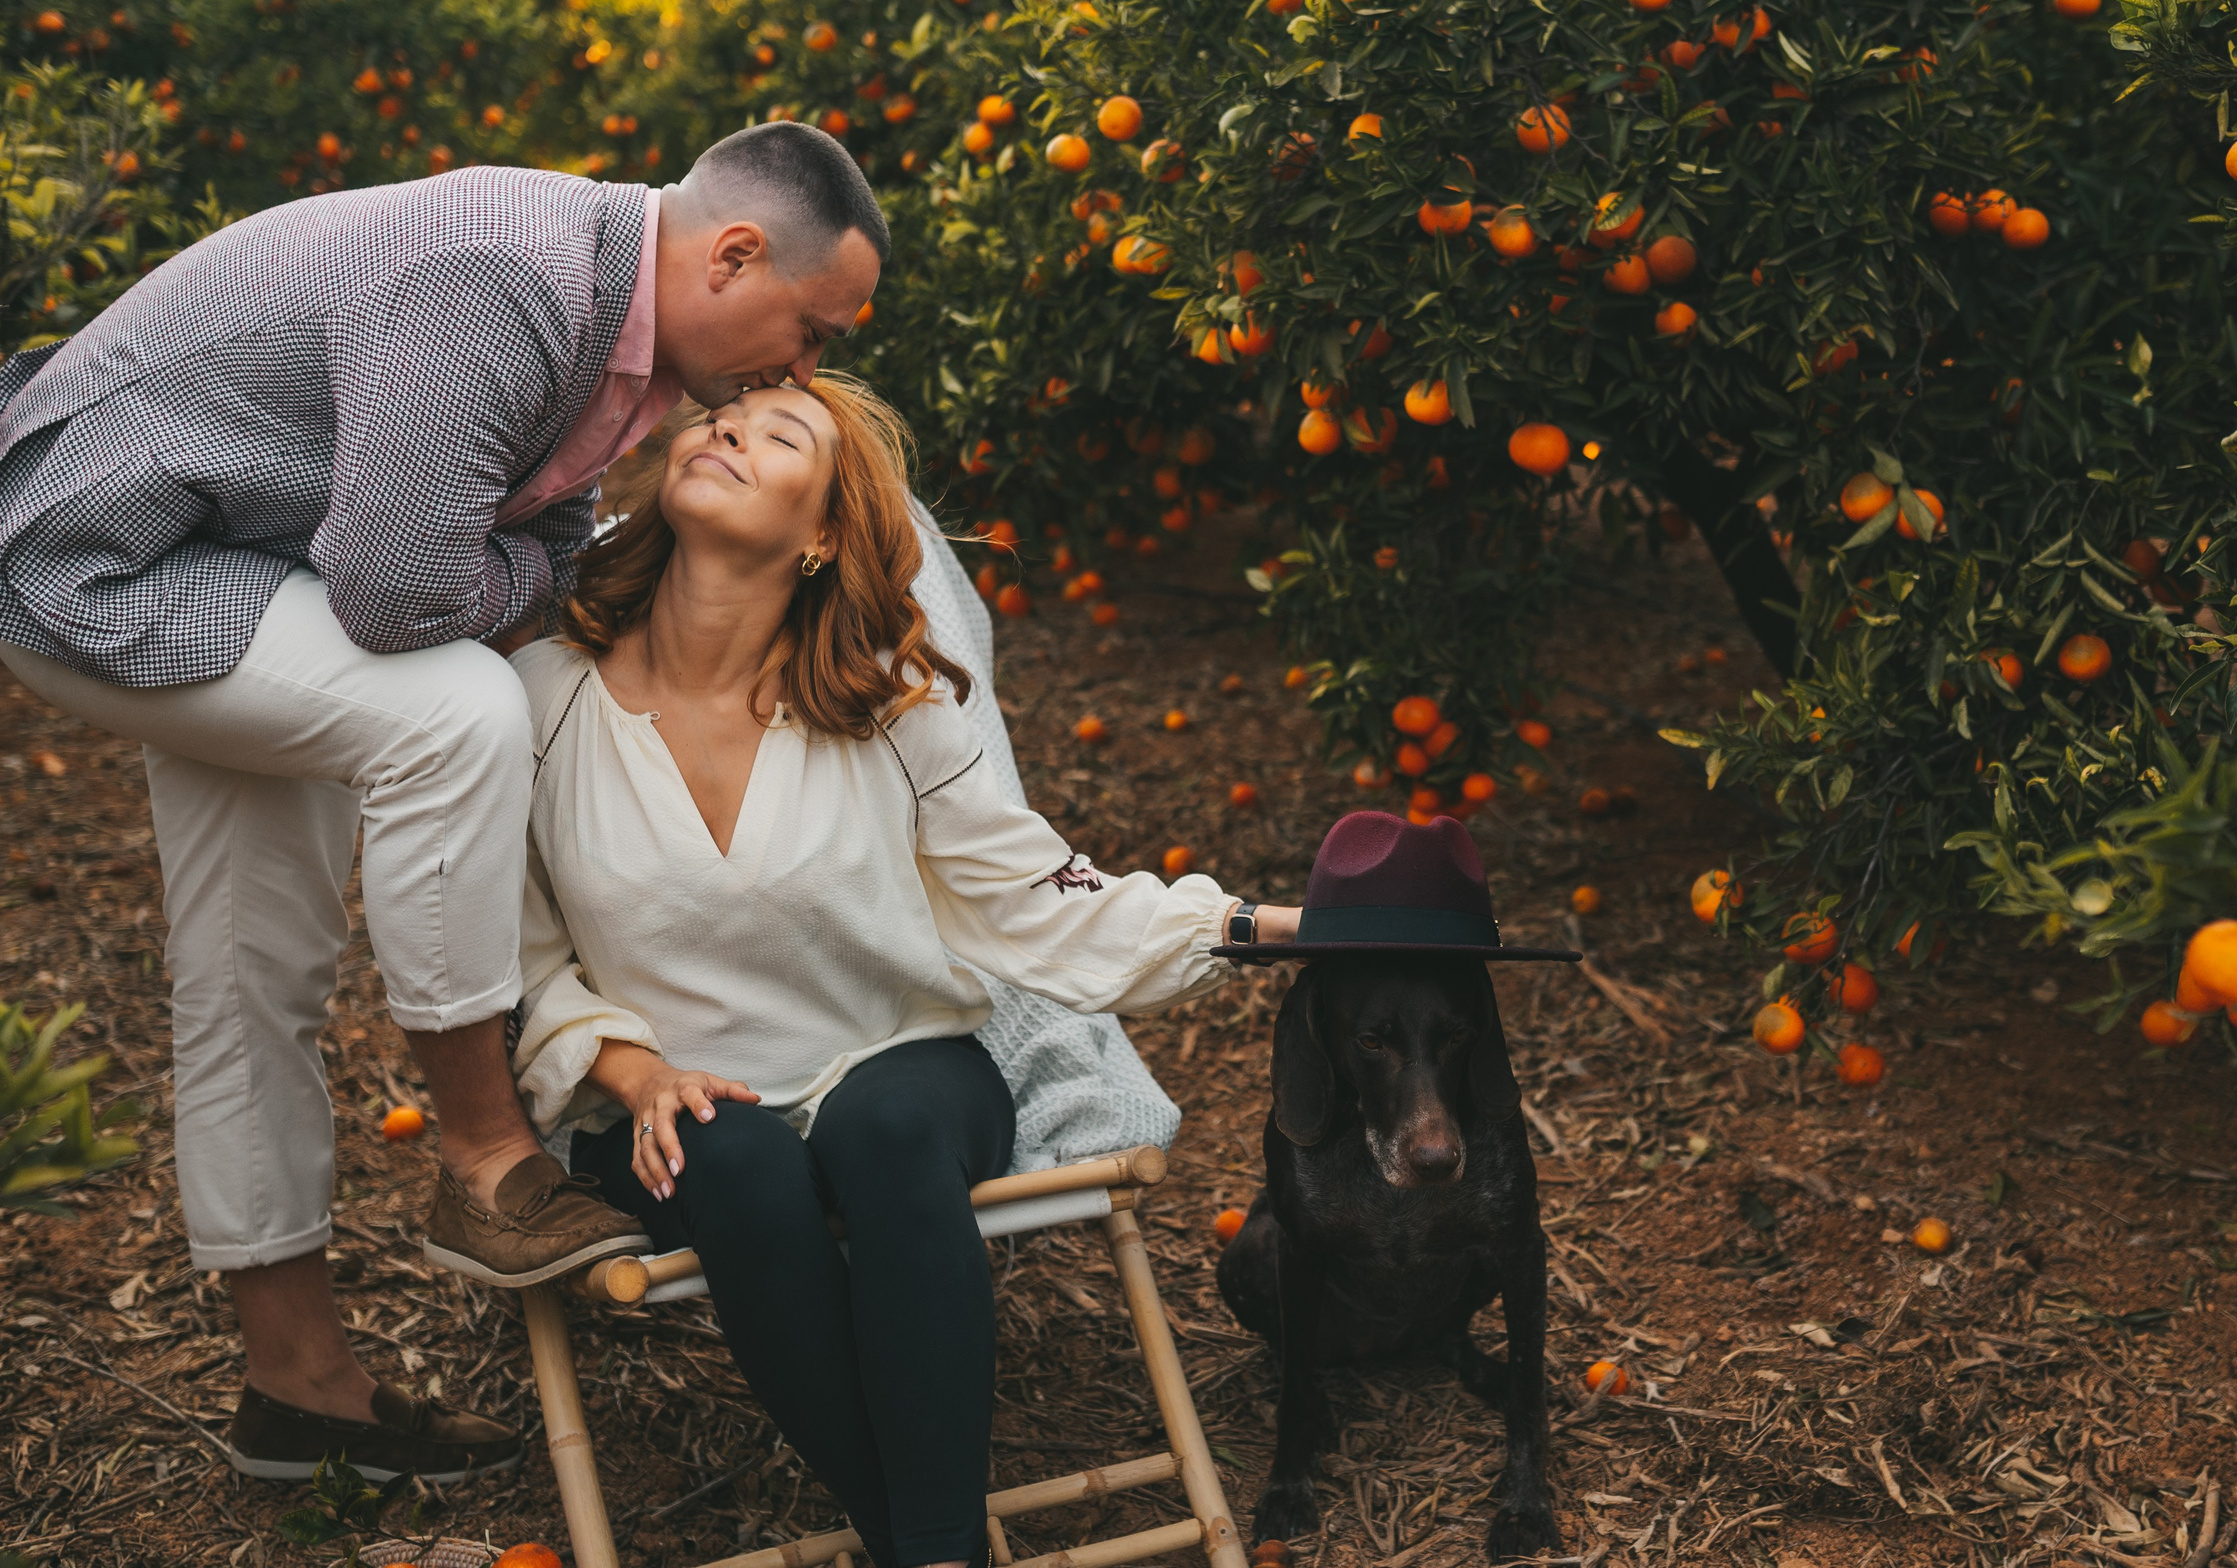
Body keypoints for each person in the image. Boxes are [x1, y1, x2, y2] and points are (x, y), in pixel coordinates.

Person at [0, 122, 882, 1482]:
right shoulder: (506, 276)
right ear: (734, 255)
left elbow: (512, 544)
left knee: (249, 964)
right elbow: (401, 592)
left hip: (242, 552)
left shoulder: (620, 334)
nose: (806, 370)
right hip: (99, 552)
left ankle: (297, 1389)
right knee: (456, 709)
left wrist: (529, 568)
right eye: (811, 330)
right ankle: (483, 1157)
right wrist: (535, 576)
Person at [508, 372, 1299, 1568]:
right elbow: (519, 958)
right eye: (723, 418)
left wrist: (1245, 925)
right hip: (668, 1108)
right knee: (740, 1159)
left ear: (823, 536)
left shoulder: (884, 704)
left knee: (880, 1132)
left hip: (899, 1062)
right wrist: (634, 1074)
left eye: (781, 435)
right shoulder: (542, 701)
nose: (728, 430)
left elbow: (1038, 895)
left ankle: (927, 1552)